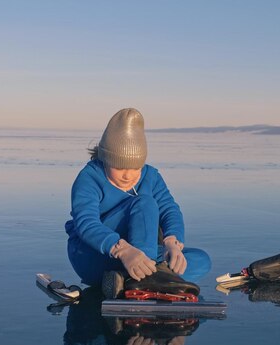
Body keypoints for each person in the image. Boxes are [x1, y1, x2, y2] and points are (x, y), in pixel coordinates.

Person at [64, 108, 211, 298]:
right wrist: (124, 251)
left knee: (200, 260)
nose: (127, 175)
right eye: (118, 167)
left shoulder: (151, 176)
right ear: (105, 158)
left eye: (135, 168)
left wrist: (173, 244)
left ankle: (125, 280)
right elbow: (86, 224)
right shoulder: (90, 177)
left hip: (135, 258)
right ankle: (147, 279)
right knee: (145, 203)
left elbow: (169, 210)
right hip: (93, 256)